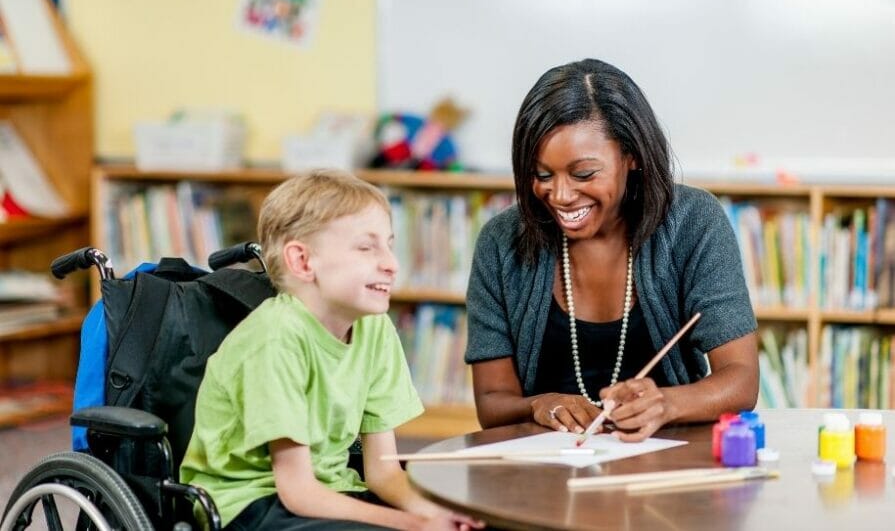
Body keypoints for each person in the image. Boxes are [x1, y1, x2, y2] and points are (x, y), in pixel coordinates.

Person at [464, 59, 759, 442]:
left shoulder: (693, 223)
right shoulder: (501, 241)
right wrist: (539, 404)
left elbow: (741, 380)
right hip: (548, 467)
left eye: (584, 174)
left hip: (670, 460)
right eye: (542, 175)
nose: (561, 195)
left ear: (631, 155)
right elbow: (491, 402)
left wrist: (667, 404)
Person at [181, 171, 483, 530]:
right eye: (367, 248)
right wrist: (414, 526)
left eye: (389, 244)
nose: (392, 263)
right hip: (250, 502)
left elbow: (383, 472)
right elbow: (297, 492)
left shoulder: (375, 328)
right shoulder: (275, 338)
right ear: (302, 261)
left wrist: (433, 514)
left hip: (330, 489)